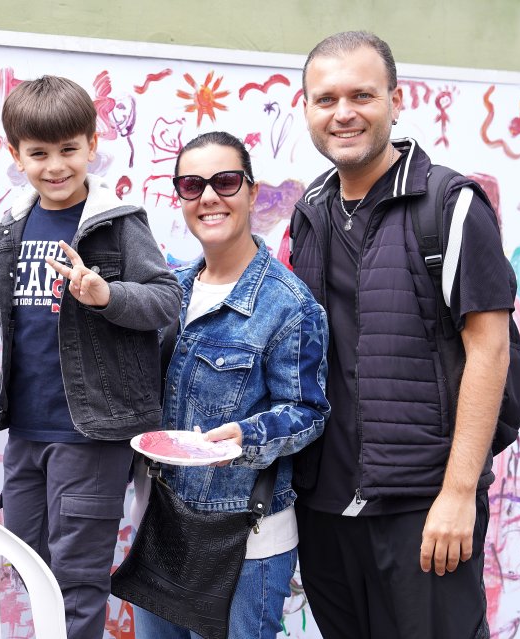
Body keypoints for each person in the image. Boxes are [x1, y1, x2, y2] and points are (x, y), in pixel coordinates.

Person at [0, 74, 181, 639]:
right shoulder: (14, 224)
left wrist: (106, 295)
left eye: (68, 149)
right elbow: (7, 308)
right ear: (15, 154)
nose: (55, 166)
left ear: (92, 145)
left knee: (76, 581)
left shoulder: (117, 223)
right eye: (38, 153)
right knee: (29, 568)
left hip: (91, 433)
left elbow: (166, 300)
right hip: (26, 430)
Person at [290, 31, 515, 639]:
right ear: (306, 108)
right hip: (324, 508)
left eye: (361, 95)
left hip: (422, 508)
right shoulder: (311, 209)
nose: (343, 113)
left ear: (395, 99)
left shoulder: (450, 204)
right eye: (326, 98)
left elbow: (489, 350)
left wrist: (459, 493)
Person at [132, 131, 331, 639]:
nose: (209, 197)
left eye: (224, 181)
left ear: (252, 192)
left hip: (245, 541)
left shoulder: (290, 305)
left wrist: (247, 436)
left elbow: (308, 411)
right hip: (161, 526)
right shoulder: (169, 291)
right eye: (192, 185)